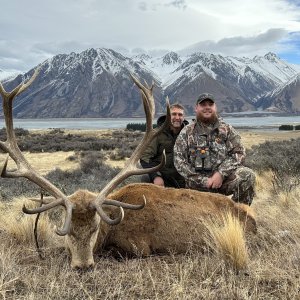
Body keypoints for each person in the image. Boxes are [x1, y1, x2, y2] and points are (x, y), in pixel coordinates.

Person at [174, 93, 255, 205]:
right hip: (196, 187)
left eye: (210, 104)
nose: (207, 107)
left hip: (222, 182)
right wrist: (202, 180)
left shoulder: (227, 130)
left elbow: (239, 153)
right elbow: (179, 161)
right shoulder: (186, 132)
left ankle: (237, 216)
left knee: (247, 175)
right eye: (203, 105)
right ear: (196, 108)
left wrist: (220, 174)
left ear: (215, 107)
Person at [140, 103, 188, 188]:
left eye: (180, 115)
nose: (177, 118)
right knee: (146, 177)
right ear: (168, 116)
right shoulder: (156, 134)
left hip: (182, 177)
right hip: (163, 177)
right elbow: (145, 157)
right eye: (173, 114)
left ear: (183, 117)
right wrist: (156, 176)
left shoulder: (189, 133)